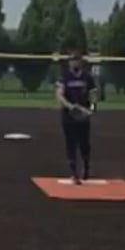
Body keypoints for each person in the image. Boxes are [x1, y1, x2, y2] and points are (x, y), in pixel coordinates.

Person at [55, 50, 96, 183]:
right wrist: (71, 107)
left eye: (76, 60)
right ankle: (74, 172)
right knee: (71, 143)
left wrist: (92, 108)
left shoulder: (87, 77)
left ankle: (86, 167)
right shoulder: (64, 77)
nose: (74, 63)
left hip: (83, 114)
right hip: (69, 115)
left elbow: (93, 95)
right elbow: (59, 95)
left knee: (84, 143)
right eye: (72, 60)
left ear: (81, 62)